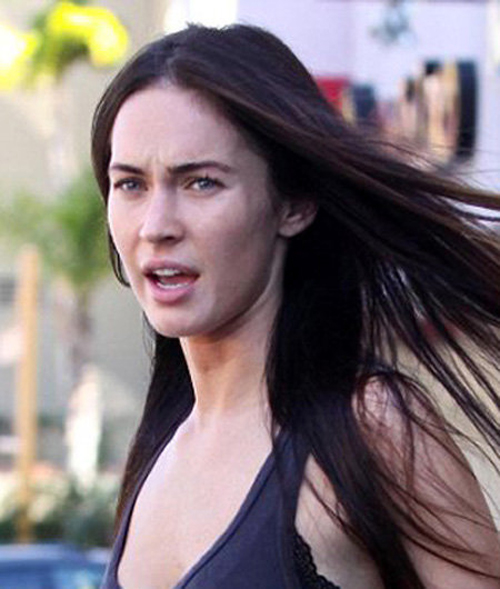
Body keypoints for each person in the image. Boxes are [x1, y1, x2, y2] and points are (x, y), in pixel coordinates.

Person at [91, 24, 500, 589]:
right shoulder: (159, 452)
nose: (156, 227)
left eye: (202, 183)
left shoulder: (370, 428)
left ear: (294, 204)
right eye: (131, 185)